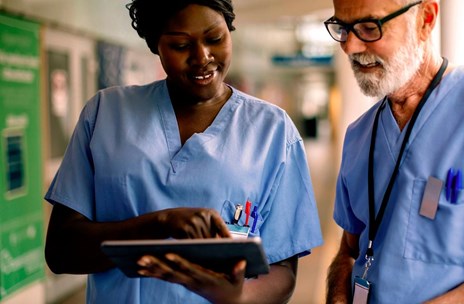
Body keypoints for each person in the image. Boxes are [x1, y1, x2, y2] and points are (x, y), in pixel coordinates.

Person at [44, 0, 323, 303]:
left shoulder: (274, 132)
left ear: (230, 30)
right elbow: (61, 251)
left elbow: (282, 271)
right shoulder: (105, 115)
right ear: (155, 45)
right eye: (180, 45)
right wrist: (159, 225)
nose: (202, 57)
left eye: (215, 39)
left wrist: (237, 297)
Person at [324, 0, 464, 303]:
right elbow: (350, 251)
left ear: (425, 19)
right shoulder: (360, 135)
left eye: (370, 28)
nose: (350, 46)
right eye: (343, 29)